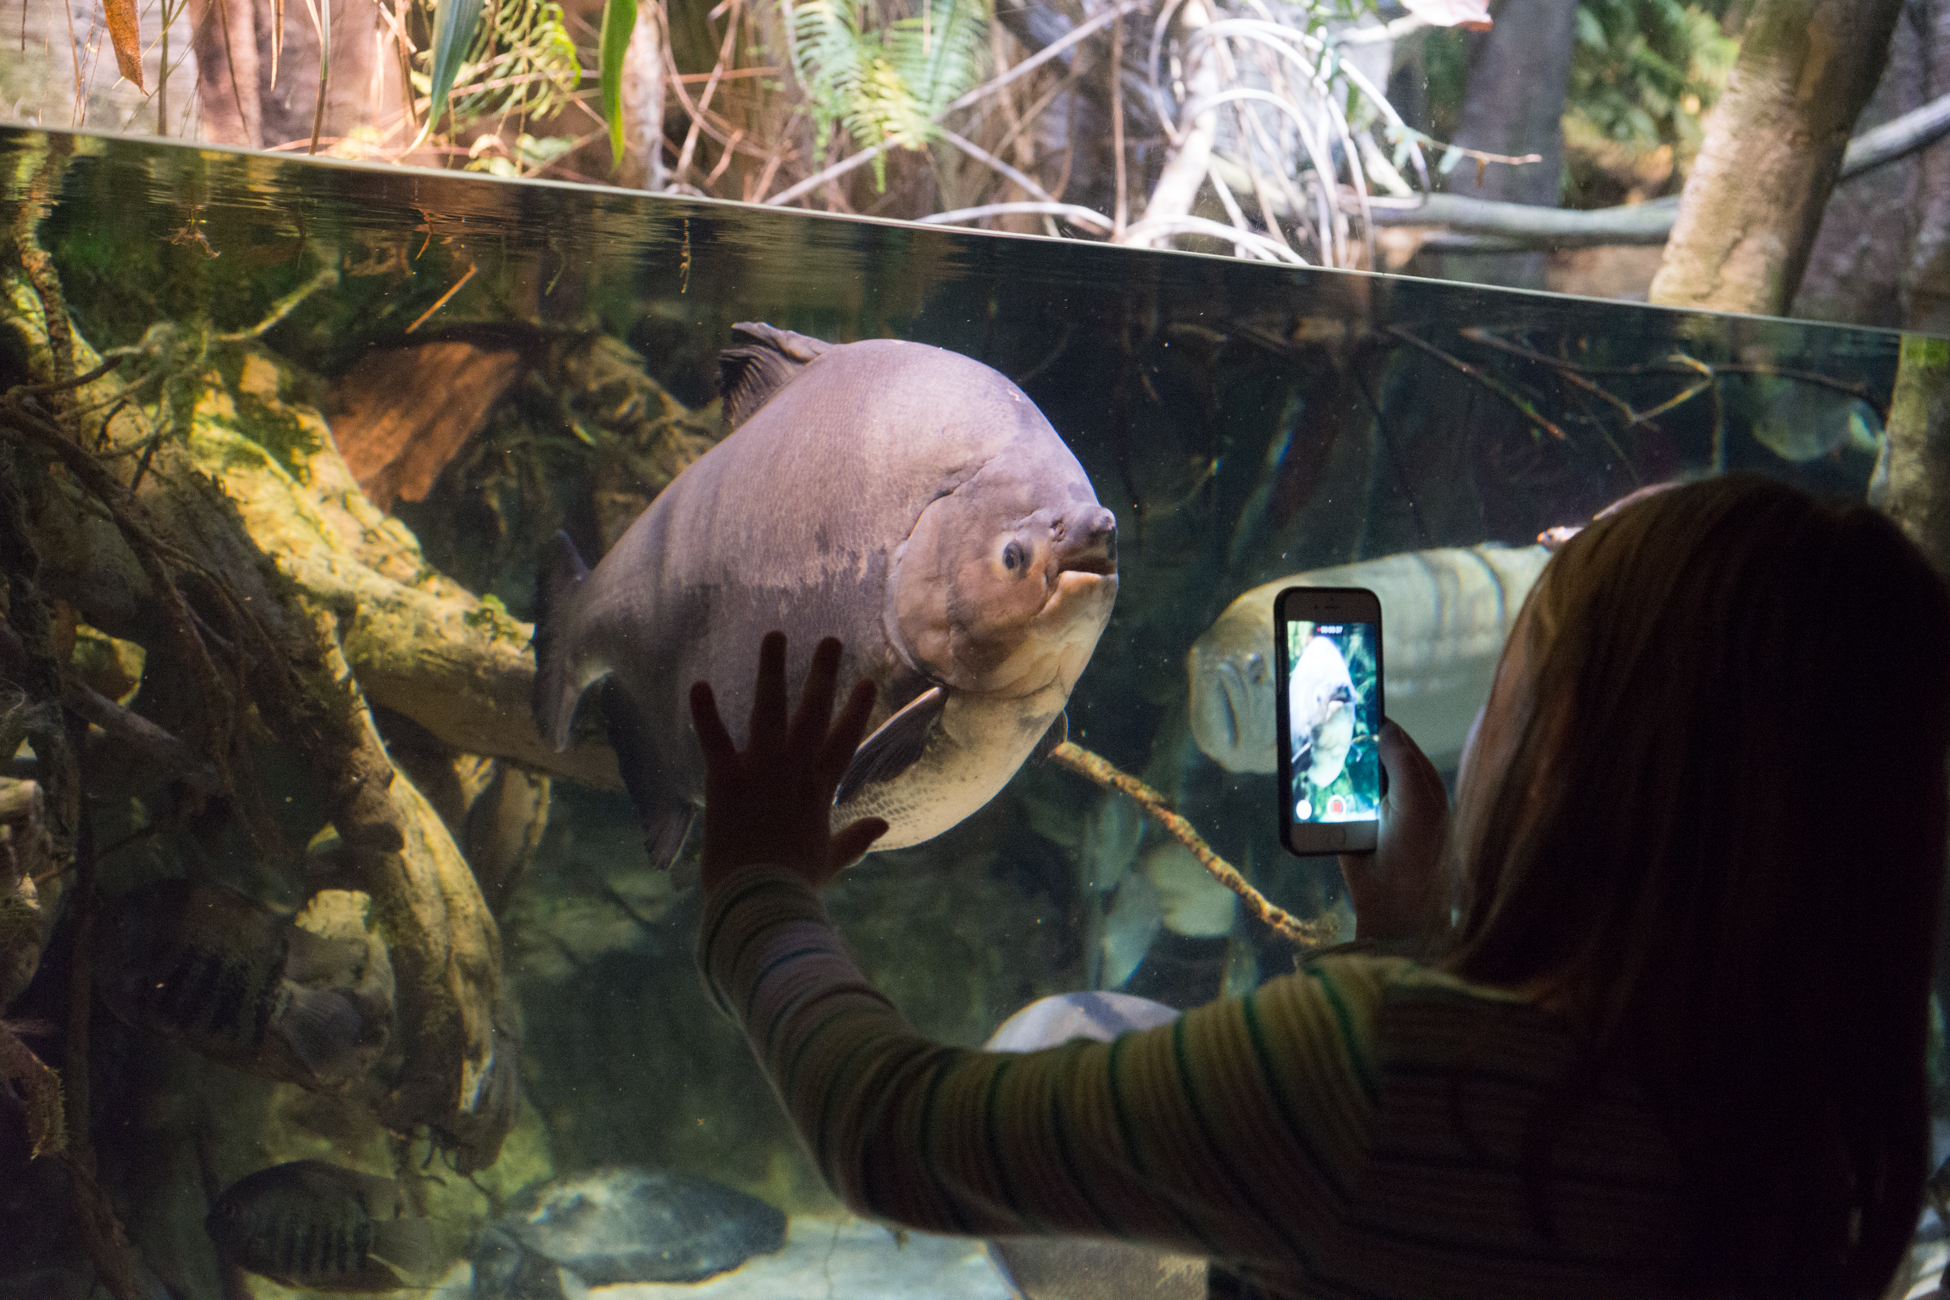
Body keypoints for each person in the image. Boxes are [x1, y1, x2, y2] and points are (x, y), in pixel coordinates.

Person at [687, 474, 1950, 1300]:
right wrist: (1406, 933)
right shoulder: (1820, 1144)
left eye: (1522, 663)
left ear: (1558, 745)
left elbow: (892, 1134)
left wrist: (759, 886)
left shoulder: (1375, 1075)